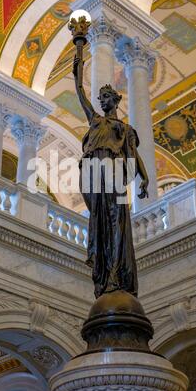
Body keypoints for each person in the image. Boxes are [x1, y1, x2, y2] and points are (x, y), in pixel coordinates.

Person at [73, 56, 149, 299]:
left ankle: (115, 273)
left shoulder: (124, 130)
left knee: (116, 222)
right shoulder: (95, 121)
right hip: (94, 175)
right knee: (100, 222)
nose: (101, 100)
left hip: (114, 174)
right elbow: (80, 92)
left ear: (116, 100)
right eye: (100, 98)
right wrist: (78, 65)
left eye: (106, 97)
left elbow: (134, 156)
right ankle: (105, 272)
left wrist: (144, 178)